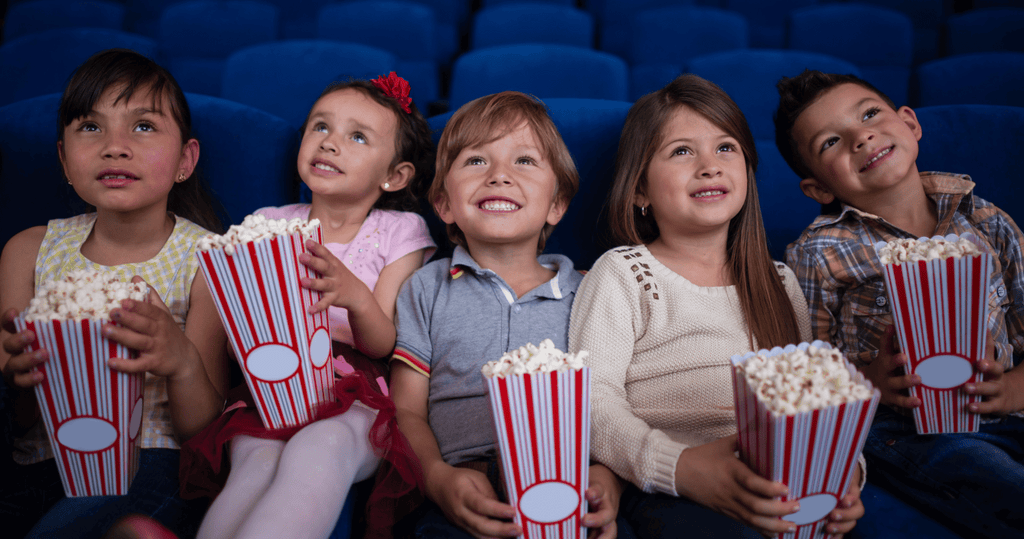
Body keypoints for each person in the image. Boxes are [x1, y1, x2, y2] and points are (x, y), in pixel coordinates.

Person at [568, 74, 865, 538]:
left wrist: (845, 471)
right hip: (670, 484)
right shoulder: (623, 272)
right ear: (640, 191)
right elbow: (591, 400)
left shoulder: (780, 281)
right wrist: (679, 467)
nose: (709, 165)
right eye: (682, 151)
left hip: (779, 481)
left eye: (726, 148)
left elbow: (817, 399)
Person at [180, 73, 437, 539]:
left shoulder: (400, 232)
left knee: (320, 447)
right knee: (253, 461)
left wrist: (353, 293)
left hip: (357, 392)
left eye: (357, 136)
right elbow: (241, 327)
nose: (331, 143)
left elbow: (387, 342)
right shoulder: (267, 224)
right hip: (272, 387)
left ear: (394, 176)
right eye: (320, 127)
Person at [776, 69, 1024, 537]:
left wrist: (1011, 389)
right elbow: (807, 371)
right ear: (818, 189)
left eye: (870, 114)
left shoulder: (986, 220)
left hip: (1008, 407)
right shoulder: (817, 252)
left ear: (910, 124)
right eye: (831, 142)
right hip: (906, 428)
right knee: (991, 478)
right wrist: (869, 381)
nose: (861, 136)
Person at [0, 48, 229, 539]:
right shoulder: (28, 251)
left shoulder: (208, 259)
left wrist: (180, 359)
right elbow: (19, 425)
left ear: (186, 160)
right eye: (90, 127)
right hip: (41, 465)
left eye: (143, 126)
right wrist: (19, 380)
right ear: (63, 158)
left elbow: (203, 434)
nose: (114, 146)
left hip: (150, 464)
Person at [390, 91, 624, 539]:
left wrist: (608, 477)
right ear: (443, 204)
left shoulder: (594, 291)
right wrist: (438, 479)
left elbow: (617, 405)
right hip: (466, 483)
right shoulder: (426, 286)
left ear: (556, 204)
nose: (499, 175)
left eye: (525, 161)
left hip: (570, 482)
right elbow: (406, 409)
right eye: (477, 161)